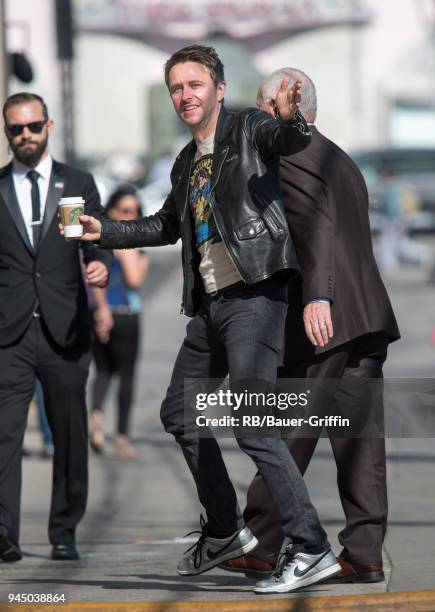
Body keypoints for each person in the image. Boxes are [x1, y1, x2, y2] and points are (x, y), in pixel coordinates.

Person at [70, 44, 341, 594]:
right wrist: (105, 230)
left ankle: (310, 545)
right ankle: (223, 530)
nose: (185, 96)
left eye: (194, 84)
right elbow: (166, 226)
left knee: (249, 420)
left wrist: (292, 120)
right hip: (212, 308)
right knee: (179, 412)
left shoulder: (249, 129)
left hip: (254, 297)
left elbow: (285, 140)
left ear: (219, 88)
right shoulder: (186, 161)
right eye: (175, 88)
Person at [220, 68, 400, 584]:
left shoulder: (291, 154)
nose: (253, 118)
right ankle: (364, 552)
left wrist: (317, 296)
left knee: (285, 430)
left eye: (261, 106)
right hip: (365, 319)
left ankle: (262, 540)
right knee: (361, 442)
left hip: (325, 320)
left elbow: (314, 223)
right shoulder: (340, 158)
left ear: (287, 109)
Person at [0, 92, 112, 563]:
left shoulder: (77, 183)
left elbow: (96, 238)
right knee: (5, 435)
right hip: (10, 334)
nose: (24, 135)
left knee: (68, 434)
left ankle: (64, 530)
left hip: (66, 329)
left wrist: (101, 267)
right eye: (15, 130)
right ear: (8, 134)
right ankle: (4, 534)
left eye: (31, 126)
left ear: (48, 126)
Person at [89, 185, 149, 459]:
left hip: (128, 316)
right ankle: (110, 431)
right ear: (111, 211)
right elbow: (96, 278)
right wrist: (124, 247)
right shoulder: (103, 243)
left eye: (135, 212)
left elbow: (136, 280)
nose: (130, 215)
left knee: (121, 375)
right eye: (125, 210)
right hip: (115, 313)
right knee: (106, 372)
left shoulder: (140, 247)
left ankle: (111, 429)